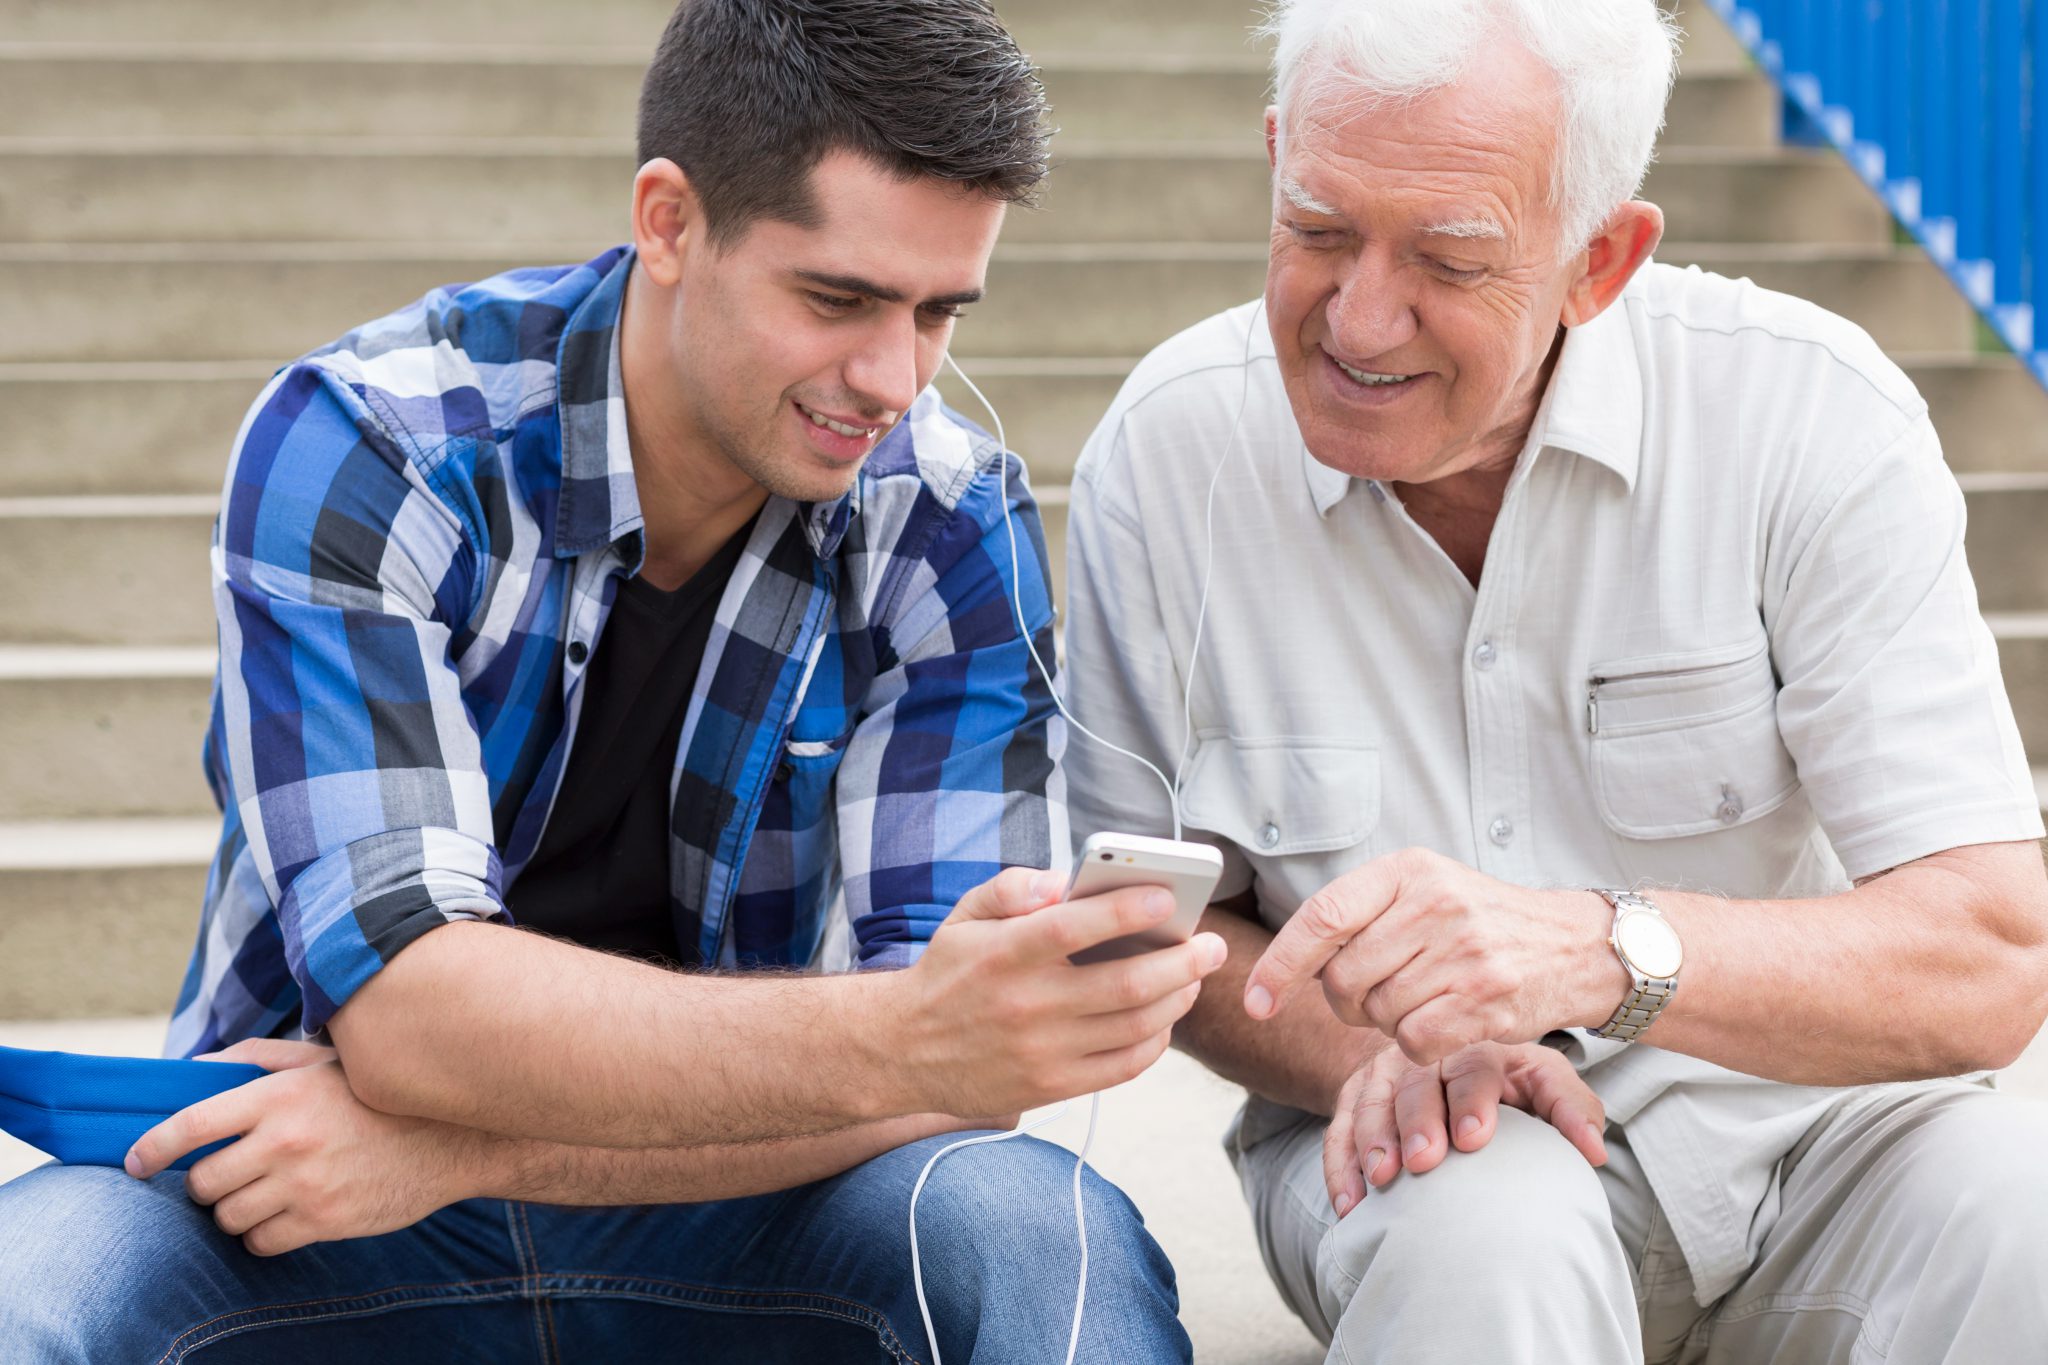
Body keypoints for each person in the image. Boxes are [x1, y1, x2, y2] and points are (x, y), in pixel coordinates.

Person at [0, 2, 1219, 1360]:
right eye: (837, 298)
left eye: (939, 311)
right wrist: (914, 1034)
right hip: (296, 1170)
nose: (892, 378)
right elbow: (411, 1016)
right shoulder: (368, 445)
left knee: (1042, 1233)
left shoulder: (948, 517)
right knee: (29, 1279)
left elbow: (960, 1078)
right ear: (668, 221)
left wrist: (462, 1151)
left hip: (725, 1189)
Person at [1062, 0, 2048, 1360]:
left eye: (1451, 259)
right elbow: (1150, 921)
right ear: (1276, 154)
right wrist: (1383, 1055)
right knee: (1488, 1240)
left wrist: (1604, 951)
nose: (1356, 317)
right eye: (1319, 228)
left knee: (2027, 1220)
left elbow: (1989, 950)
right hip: (1413, 1145)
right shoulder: (1167, 457)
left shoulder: (1813, 415)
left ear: (1601, 260)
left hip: (1814, 1129)